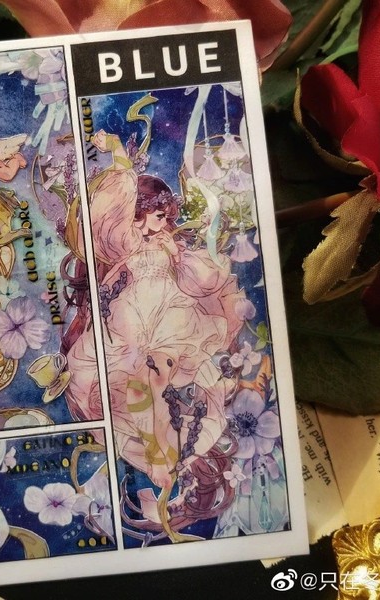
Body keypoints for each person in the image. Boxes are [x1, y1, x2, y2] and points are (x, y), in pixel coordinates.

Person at [64, 131, 245, 541]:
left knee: (159, 378)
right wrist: (117, 153)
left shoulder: (167, 243)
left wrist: (187, 261)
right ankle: (156, 451)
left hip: (169, 317)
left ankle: (160, 453)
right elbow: (119, 193)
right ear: (138, 214)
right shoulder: (126, 241)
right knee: (142, 380)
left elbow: (199, 278)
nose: (165, 223)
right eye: (159, 215)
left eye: (167, 216)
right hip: (134, 318)